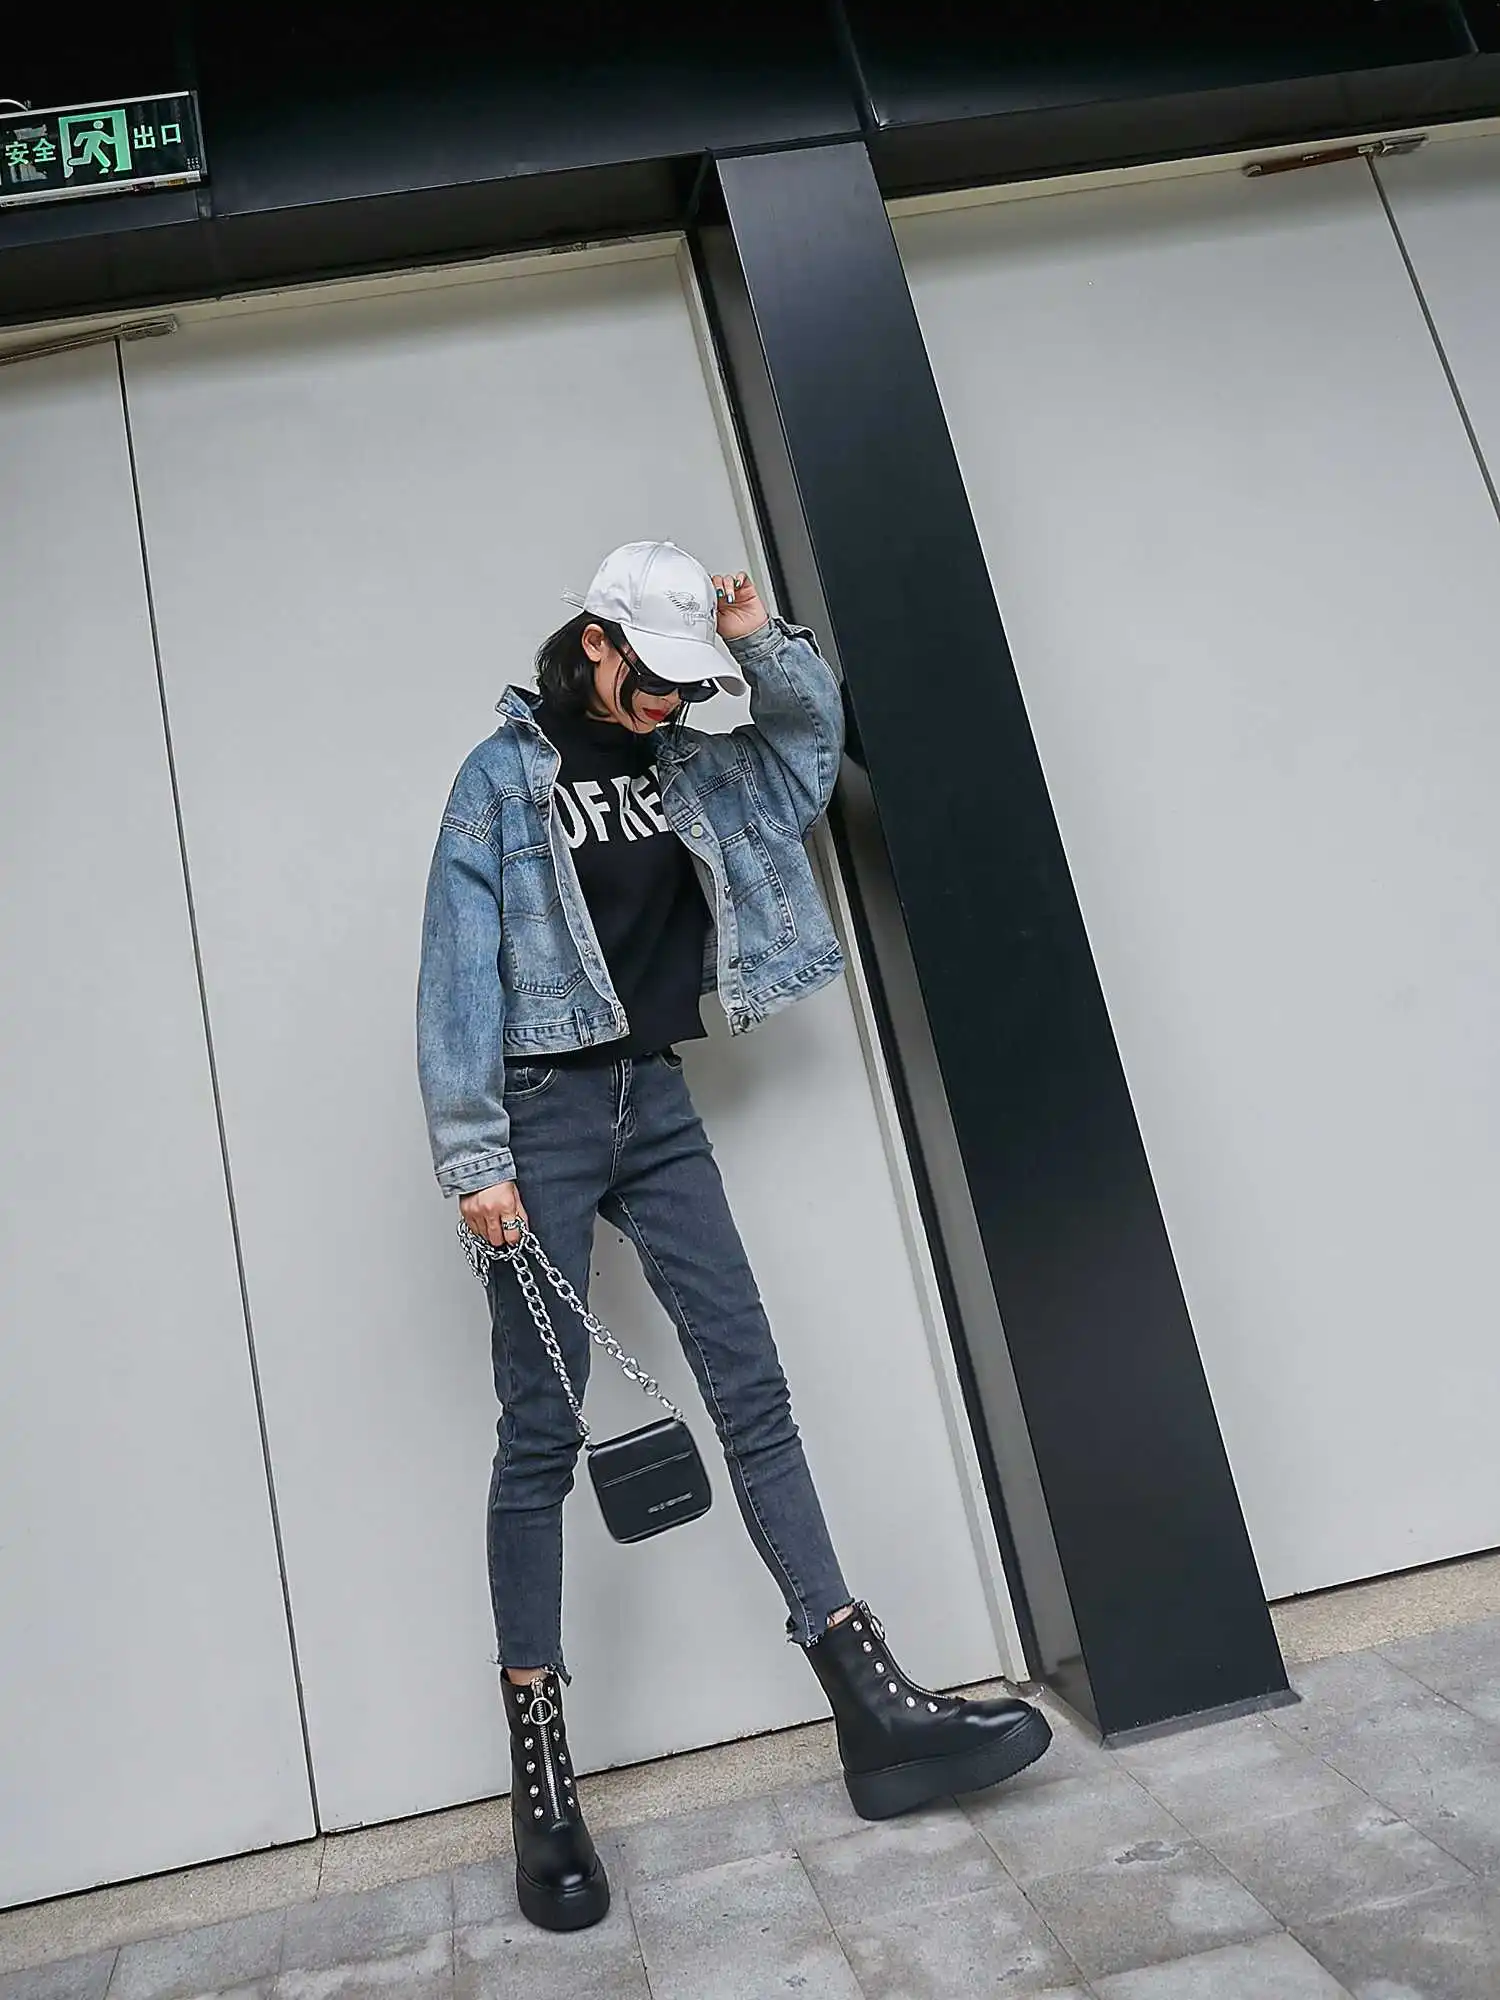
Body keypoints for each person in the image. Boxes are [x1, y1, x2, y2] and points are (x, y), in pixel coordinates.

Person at [417, 541, 1049, 1932]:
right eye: (651, 677)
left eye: (685, 685)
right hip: (536, 1116)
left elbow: (808, 756)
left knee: (753, 1391)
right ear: (593, 643)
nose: (666, 703)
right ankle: (543, 1782)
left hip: (654, 1102)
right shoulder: (499, 783)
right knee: (540, 1434)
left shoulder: (693, 766)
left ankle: (869, 1707)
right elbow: (453, 974)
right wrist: (475, 1155)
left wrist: (757, 643)